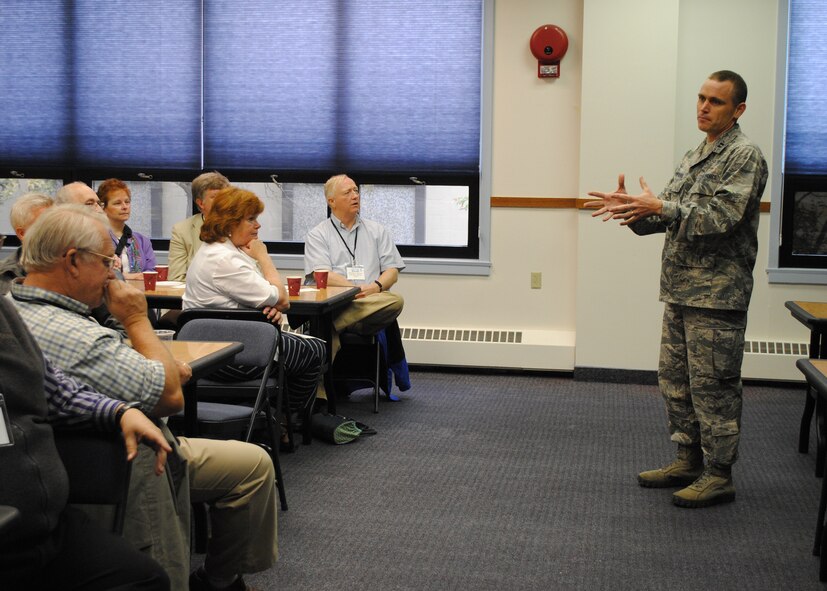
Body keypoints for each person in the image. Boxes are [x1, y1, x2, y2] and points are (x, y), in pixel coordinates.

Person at [11, 204, 277, 591]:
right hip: (122, 456)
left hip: (111, 441)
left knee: (251, 463)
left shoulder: (17, 309)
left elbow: (76, 391)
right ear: (72, 262)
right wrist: (136, 319)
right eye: (106, 261)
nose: (113, 271)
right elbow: (171, 396)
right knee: (248, 465)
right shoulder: (76, 334)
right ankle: (212, 580)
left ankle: (214, 577)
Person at [585, 70, 768, 508]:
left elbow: (721, 217)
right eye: (701, 98)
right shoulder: (694, 155)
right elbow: (670, 215)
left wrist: (662, 206)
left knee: (714, 386)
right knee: (676, 382)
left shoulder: (744, 156)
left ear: (738, 109)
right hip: (681, 289)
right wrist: (633, 210)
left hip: (717, 295)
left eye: (716, 102)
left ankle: (719, 473)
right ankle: (688, 459)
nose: (704, 107)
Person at [0, 295, 172, 590]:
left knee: (145, 578)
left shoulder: (5, 312)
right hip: (8, 537)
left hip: (46, 523)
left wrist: (118, 411)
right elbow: (170, 396)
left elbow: (55, 389)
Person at [183, 186, 325, 420]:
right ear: (229, 224)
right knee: (315, 351)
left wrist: (265, 311)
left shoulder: (219, 252)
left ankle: (265, 416)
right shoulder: (226, 260)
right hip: (229, 356)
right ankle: (283, 422)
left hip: (219, 346)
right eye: (251, 219)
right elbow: (282, 299)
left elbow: (269, 298)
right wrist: (263, 256)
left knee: (293, 350)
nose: (258, 226)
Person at [304, 174, 405, 349]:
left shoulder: (377, 230)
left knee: (395, 301)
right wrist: (353, 290)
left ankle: (334, 324)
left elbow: (392, 272)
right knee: (331, 317)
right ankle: (340, 323)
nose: (355, 196)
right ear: (332, 201)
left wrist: (374, 288)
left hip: (370, 303)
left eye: (356, 191)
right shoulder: (318, 234)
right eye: (347, 192)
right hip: (337, 303)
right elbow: (322, 274)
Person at [169, 171, 230, 281]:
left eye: (225, 196)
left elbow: (255, 271)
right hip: (198, 295)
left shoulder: (241, 226)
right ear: (201, 203)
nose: (222, 202)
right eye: (215, 197)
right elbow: (176, 278)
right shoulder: (182, 230)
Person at [97, 178, 157, 279]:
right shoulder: (96, 239)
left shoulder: (142, 241)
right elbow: (97, 274)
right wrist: (129, 277)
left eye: (127, 202)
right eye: (117, 203)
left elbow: (151, 273)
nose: (125, 207)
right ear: (103, 207)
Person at [0, 192, 53, 295]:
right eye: (45, 225)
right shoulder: (3, 274)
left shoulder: (71, 266)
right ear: (22, 233)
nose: (54, 230)